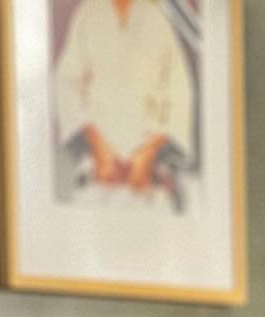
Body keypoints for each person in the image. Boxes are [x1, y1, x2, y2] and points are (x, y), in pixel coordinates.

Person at [54, 0, 194, 205]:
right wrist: (98, 145)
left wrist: (149, 151)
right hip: (96, 157)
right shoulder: (89, 13)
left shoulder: (159, 16)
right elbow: (67, 84)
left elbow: (179, 92)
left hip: (153, 160)